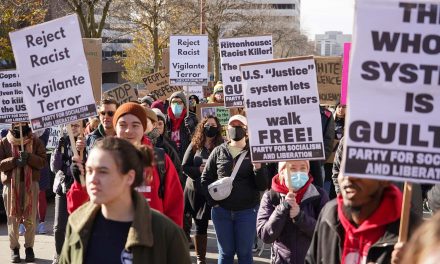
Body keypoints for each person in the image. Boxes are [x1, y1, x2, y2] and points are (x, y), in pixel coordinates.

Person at [59, 137, 191, 263]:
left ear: (129, 177)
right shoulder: (77, 223)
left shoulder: (166, 233)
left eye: (103, 172)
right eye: (89, 170)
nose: (93, 179)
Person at [67, 103, 184, 227]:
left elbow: (175, 205)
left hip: (152, 239)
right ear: (115, 127)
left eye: (135, 125)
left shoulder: (160, 159)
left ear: (143, 128)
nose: (129, 130)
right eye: (123, 125)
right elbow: (78, 211)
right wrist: (79, 184)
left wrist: (170, 240)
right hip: (111, 238)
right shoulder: (102, 159)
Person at [305, 173, 421, 264]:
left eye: (360, 169)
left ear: (385, 179)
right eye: (345, 167)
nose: (348, 177)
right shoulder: (329, 214)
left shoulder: (412, 230)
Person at [201, 115, 268, 264]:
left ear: (246, 130)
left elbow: (263, 185)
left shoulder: (255, 152)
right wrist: (213, 202)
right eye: (232, 125)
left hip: (247, 212)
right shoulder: (219, 151)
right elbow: (205, 178)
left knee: (244, 254)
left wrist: (258, 168)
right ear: (227, 129)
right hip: (221, 212)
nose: (235, 129)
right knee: (225, 253)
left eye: (239, 126)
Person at [257, 160, 329, 263]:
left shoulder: (319, 195)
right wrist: (282, 209)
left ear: (308, 170)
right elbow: (265, 236)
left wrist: (300, 218)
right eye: (292, 168)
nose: (299, 172)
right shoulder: (271, 197)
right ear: (282, 172)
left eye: (303, 168)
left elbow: (326, 233)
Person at [0, 122, 47, 263]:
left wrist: (29, 158)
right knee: (12, 218)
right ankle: (14, 249)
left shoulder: (36, 140)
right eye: (17, 122)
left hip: (30, 184)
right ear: (13, 122)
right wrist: (14, 161)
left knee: (30, 218)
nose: (20, 124)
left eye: (23, 121)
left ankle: (29, 248)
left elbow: (43, 162)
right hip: (10, 184)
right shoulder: (4, 142)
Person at [182, 116, 224, 263]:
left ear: (218, 127)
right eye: (207, 124)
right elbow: (185, 166)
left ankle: (224, 255)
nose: (210, 127)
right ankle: (201, 259)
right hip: (196, 191)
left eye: (213, 125)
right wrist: (198, 170)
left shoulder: (222, 144)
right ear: (202, 126)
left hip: (214, 191)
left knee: (220, 223)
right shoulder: (195, 144)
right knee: (200, 225)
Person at [50, 121, 81, 264]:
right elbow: (55, 167)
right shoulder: (62, 143)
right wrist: (58, 150)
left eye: (76, 125)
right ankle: (59, 255)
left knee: (78, 226)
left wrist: (71, 169)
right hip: (62, 188)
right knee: (59, 227)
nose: (73, 128)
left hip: (80, 188)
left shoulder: (85, 142)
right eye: (71, 125)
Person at [166, 91, 198, 160]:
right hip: (170, 158)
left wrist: (192, 128)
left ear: (184, 105)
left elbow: (198, 140)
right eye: (174, 102)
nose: (176, 105)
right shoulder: (165, 120)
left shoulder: (192, 118)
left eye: (180, 102)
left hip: (186, 158)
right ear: (170, 104)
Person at [324, 102, 346, 198]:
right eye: (339, 107)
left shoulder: (348, 122)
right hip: (329, 158)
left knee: (337, 182)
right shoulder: (330, 121)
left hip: (340, 159)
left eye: (344, 107)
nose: (341, 109)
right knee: (327, 182)